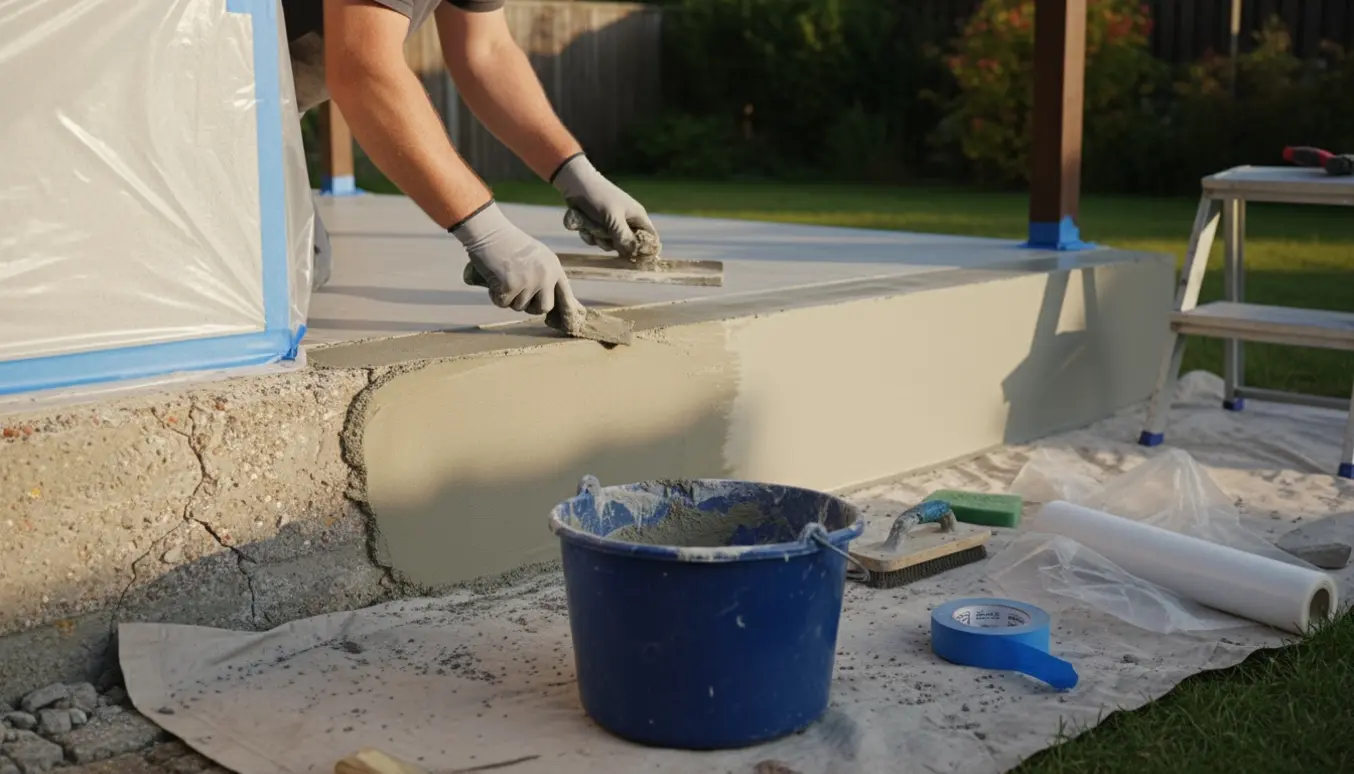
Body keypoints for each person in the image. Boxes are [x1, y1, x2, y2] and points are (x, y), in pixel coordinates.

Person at [282, 0, 660, 315]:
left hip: (270, 110)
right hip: (228, 103)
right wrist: (487, 231)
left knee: (305, 261)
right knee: (279, 278)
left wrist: (576, 174)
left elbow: (484, 50)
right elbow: (362, 68)